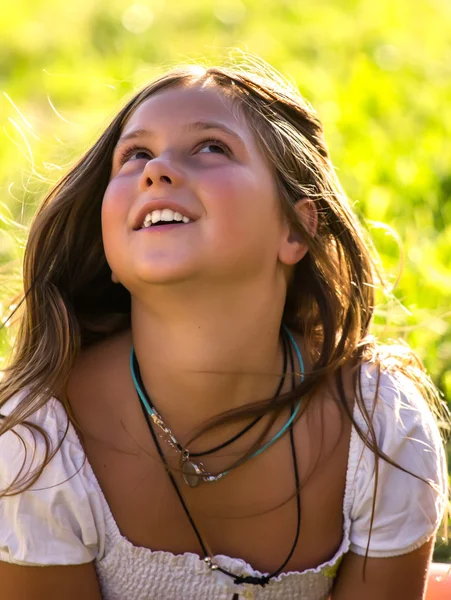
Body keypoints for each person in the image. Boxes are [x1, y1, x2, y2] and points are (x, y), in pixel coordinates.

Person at [0, 58, 449, 600]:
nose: (156, 169)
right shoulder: (37, 442)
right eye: (136, 153)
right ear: (110, 254)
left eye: (211, 147)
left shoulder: (378, 431)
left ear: (296, 228)